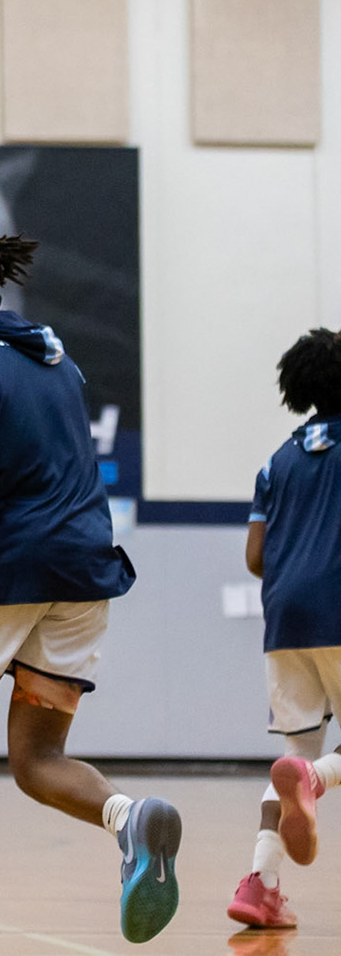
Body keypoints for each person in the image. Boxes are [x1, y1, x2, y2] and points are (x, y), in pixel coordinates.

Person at [0, 219, 179, 956]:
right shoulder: (57, 360)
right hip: (85, 568)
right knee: (36, 760)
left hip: (6, 569)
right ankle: (127, 816)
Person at [226, 328, 341, 931]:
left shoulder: (278, 461)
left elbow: (256, 556)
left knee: (296, 750)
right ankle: (315, 781)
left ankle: (261, 885)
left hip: (286, 619)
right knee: (309, 768)